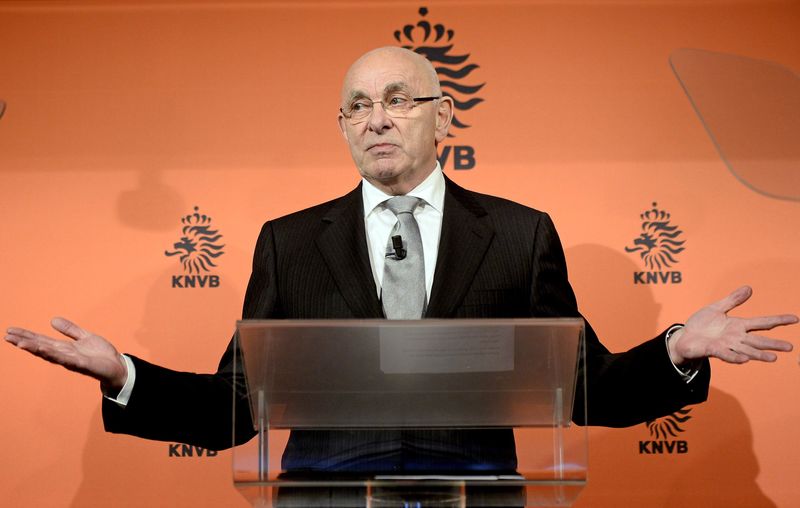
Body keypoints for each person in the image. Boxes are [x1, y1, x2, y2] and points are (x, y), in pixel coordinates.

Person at [5, 47, 797, 473]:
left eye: (396, 99)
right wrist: (123, 377)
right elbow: (234, 409)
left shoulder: (521, 235)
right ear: (342, 127)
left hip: (474, 496)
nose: (374, 119)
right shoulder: (288, 242)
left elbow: (583, 388)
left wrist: (677, 352)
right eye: (356, 105)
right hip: (327, 501)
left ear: (442, 116)